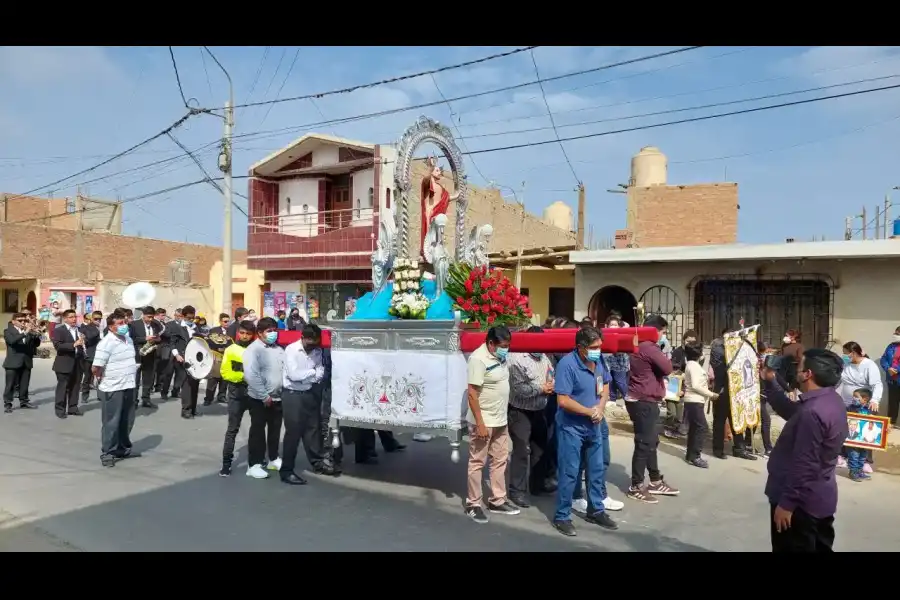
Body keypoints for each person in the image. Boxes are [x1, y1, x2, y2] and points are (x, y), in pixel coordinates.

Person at [761, 348, 847, 553]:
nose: (796, 370)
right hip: (819, 498)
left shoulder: (812, 412)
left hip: (800, 505)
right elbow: (790, 410)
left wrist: (787, 504)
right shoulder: (830, 401)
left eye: (800, 367)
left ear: (808, 374)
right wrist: (770, 380)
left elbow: (804, 464)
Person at [551, 326, 618, 536]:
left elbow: (605, 385)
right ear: (581, 348)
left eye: (599, 346)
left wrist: (600, 407)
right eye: (594, 347)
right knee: (570, 472)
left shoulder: (599, 361)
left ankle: (595, 510)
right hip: (571, 427)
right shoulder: (567, 365)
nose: (598, 350)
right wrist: (588, 411)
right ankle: (562, 516)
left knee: (596, 470)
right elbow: (562, 400)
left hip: (594, 425)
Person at [464, 325, 519, 523]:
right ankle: (473, 503)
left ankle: (497, 499)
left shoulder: (500, 357)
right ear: (490, 343)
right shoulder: (478, 359)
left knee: (500, 459)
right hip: (484, 421)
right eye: (503, 346)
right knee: (478, 461)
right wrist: (480, 423)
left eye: (508, 345)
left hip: (500, 419)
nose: (506, 349)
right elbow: (472, 394)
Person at [625, 315, 679, 503]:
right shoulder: (649, 347)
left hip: (639, 398)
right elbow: (667, 367)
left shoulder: (637, 343)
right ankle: (636, 485)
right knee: (644, 443)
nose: (663, 335)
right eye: (663, 332)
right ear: (655, 330)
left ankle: (655, 480)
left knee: (650, 441)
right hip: (644, 400)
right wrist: (661, 350)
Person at [280, 323, 338, 485]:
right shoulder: (291, 350)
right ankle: (286, 471)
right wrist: (312, 373)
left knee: (313, 429)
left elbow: (321, 372)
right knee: (293, 433)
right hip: (292, 395)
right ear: (303, 338)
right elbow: (294, 375)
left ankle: (318, 463)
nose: (312, 346)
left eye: (315, 342)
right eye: (310, 342)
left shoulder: (317, 351)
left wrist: (310, 375)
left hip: (310, 393)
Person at [506, 325, 555, 508]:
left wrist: (550, 385)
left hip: (540, 409)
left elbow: (551, 374)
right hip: (520, 411)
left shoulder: (544, 357)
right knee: (521, 451)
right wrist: (542, 388)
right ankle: (516, 491)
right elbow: (519, 389)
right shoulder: (516, 358)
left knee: (540, 448)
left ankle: (537, 484)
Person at [92, 313, 139, 468]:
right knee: (111, 421)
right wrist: (101, 379)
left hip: (129, 384)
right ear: (111, 327)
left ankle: (123, 448)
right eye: (120, 323)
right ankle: (108, 452)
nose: (124, 325)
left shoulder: (128, 339)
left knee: (127, 419)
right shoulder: (106, 343)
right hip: (113, 387)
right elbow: (96, 367)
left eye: (125, 322)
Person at [241, 317, 285, 480]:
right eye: (269, 331)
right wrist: (263, 395)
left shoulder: (279, 349)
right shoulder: (254, 350)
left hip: (278, 398)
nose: (273, 334)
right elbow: (251, 375)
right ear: (259, 333)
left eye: (275, 330)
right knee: (258, 432)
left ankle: (273, 459)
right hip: (260, 399)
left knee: (275, 431)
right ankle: (254, 464)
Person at [709, 327, 756, 461]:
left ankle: (739, 448)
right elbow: (720, 368)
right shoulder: (717, 348)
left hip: (737, 390)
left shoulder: (739, 347)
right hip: (723, 389)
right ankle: (718, 449)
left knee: (738, 418)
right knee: (720, 421)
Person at [218, 320, 256, 477]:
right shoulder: (231, 349)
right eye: (242, 333)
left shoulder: (256, 349)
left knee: (257, 430)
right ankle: (226, 463)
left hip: (254, 394)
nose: (245, 336)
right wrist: (244, 376)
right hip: (236, 394)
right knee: (232, 430)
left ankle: (255, 461)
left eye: (248, 333)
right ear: (238, 333)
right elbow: (225, 372)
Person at [837, 341, 881, 473]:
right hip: (847, 403)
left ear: (854, 353)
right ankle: (843, 456)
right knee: (847, 430)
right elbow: (838, 381)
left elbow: (877, 384)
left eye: (846, 353)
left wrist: (875, 400)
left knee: (866, 432)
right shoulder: (846, 365)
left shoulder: (869, 365)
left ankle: (866, 461)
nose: (844, 356)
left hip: (864, 404)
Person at [682, 340, 717, 468]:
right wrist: (711, 394)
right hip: (694, 400)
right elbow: (696, 385)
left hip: (694, 401)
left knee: (695, 428)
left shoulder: (692, 364)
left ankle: (691, 455)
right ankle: (696, 455)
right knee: (701, 428)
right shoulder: (694, 366)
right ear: (698, 353)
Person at [163, 305, 201, 419]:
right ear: (183, 317)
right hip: (183, 358)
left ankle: (193, 408)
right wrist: (177, 354)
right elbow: (172, 342)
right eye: (188, 318)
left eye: (192, 318)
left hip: (195, 359)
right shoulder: (178, 328)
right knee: (187, 385)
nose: (191, 320)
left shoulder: (196, 327)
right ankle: (186, 410)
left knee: (195, 384)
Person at [3, 312, 41, 413]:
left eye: (25, 321)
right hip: (13, 362)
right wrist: (25, 332)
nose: (23, 322)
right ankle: (8, 403)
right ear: (14, 321)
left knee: (25, 383)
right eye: (20, 321)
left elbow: (36, 344)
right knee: (10, 384)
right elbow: (12, 341)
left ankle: (24, 401)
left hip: (26, 361)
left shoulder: (28, 331)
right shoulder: (7, 331)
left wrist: (37, 334)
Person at [51, 309, 86, 419]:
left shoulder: (79, 329)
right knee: (63, 387)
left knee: (75, 386)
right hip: (64, 363)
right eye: (71, 317)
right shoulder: (59, 330)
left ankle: (73, 407)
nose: (74, 319)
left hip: (78, 362)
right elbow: (58, 346)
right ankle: (60, 409)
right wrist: (74, 344)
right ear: (65, 318)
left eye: (75, 316)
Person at [665, 329, 698, 438]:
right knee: (672, 411)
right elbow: (673, 370)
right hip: (674, 383)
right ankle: (668, 428)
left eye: (693, 342)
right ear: (684, 341)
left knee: (680, 411)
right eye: (688, 341)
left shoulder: (694, 353)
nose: (690, 344)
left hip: (685, 385)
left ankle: (677, 429)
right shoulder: (678, 352)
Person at [130, 306, 163, 410]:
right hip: (138, 354)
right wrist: (145, 338)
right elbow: (131, 339)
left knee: (148, 378)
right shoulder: (134, 324)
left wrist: (157, 339)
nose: (150, 319)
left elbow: (159, 337)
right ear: (143, 315)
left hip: (151, 354)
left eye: (152, 317)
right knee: (135, 379)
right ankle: (134, 401)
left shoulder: (155, 325)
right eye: (148, 317)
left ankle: (146, 399)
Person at [845, 388, 874, 482]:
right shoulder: (850, 408)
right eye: (853, 396)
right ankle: (853, 472)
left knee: (862, 456)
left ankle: (859, 471)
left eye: (856, 397)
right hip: (852, 439)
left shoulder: (869, 410)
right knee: (854, 455)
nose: (853, 398)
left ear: (865, 399)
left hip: (864, 439)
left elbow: (876, 422)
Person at [602, 315, 630, 406]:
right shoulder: (604, 334)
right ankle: (612, 402)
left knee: (620, 381)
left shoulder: (622, 334)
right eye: (611, 324)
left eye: (615, 324)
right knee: (610, 382)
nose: (613, 326)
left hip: (620, 360)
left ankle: (628, 399)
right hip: (608, 360)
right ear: (607, 325)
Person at [78, 311, 103, 405]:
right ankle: (85, 395)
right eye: (96, 319)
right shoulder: (87, 327)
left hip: (100, 355)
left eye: (100, 319)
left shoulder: (103, 327)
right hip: (90, 355)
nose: (98, 320)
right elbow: (89, 336)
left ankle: (101, 395)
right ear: (92, 319)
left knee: (100, 376)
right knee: (88, 377)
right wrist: (97, 330)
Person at [878, 326, 900, 429]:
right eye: (895, 333)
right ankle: (891, 423)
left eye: (897, 334)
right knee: (892, 403)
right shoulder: (891, 346)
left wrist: (896, 370)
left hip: (897, 375)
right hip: (892, 380)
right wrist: (888, 368)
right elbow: (883, 359)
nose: (895, 336)